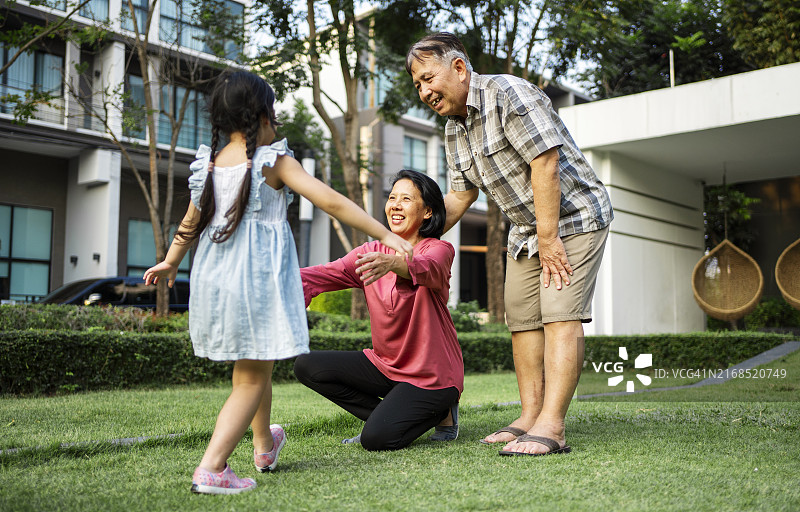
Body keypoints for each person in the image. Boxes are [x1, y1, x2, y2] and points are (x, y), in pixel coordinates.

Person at [143, 70, 413, 494]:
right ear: (263, 116)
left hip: (217, 280)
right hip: (258, 280)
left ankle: (265, 444)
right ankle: (213, 469)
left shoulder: (209, 167)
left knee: (254, 365)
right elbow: (330, 200)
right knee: (251, 377)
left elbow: (189, 223)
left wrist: (170, 261)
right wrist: (383, 233)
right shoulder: (273, 161)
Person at [405, 33, 613, 456]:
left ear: (459, 68)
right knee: (521, 319)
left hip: (572, 217)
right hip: (525, 230)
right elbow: (462, 195)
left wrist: (550, 237)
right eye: (418, 86)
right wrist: (412, 241)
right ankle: (529, 416)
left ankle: (552, 426)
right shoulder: (453, 129)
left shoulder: (509, 93)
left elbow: (545, 160)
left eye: (429, 78)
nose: (425, 91)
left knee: (560, 315)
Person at [294, 169, 464, 451]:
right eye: (392, 197)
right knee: (307, 366)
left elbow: (428, 268)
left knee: (377, 439)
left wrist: (395, 264)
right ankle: (387, 417)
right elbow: (318, 275)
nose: (395, 205)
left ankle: (442, 411)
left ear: (427, 212)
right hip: (385, 366)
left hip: (433, 377)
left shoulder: (438, 249)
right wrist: (270, 279)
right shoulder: (371, 251)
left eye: (406, 199)